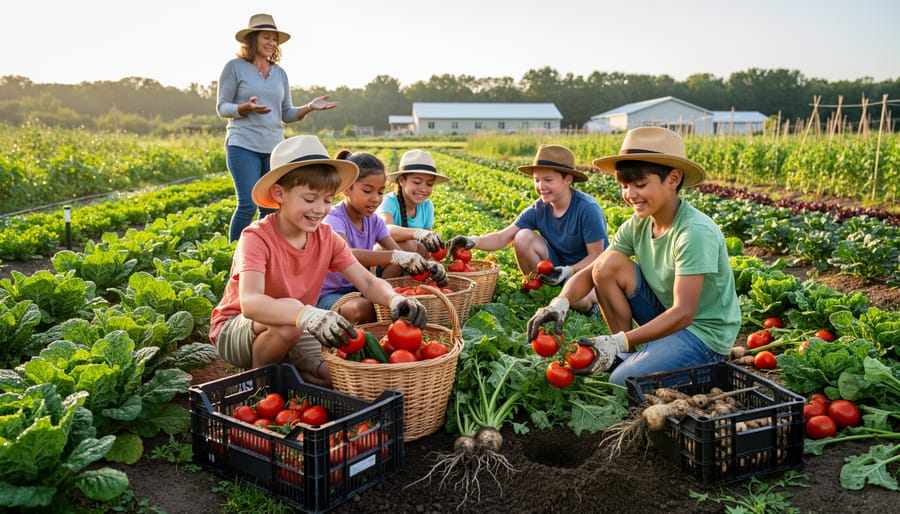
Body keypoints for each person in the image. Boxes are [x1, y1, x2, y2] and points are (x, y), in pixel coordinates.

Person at [526, 127, 741, 386]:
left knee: (621, 382)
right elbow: (594, 270)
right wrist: (559, 302)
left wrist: (617, 341)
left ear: (673, 179)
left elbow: (684, 313)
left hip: (702, 334)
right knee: (608, 265)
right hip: (665, 314)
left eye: (640, 185)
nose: (630, 195)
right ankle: (632, 352)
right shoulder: (638, 224)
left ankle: (643, 352)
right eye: (625, 186)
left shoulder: (694, 233)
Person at [209, 135, 428, 388]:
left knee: (332, 375)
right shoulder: (256, 237)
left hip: (298, 321)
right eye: (310, 199)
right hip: (238, 329)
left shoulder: (326, 238)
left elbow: (367, 281)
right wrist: (307, 314)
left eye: (327, 200)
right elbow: (251, 303)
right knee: (287, 325)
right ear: (280, 194)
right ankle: (256, 383)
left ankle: (282, 369)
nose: (320, 210)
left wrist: (394, 299)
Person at [217, 13, 338, 242]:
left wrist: (310, 107)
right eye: (266, 37)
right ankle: (233, 254)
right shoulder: (234, 68)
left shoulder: (280, 73)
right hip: (243, 144)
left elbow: (286, 114)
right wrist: (245, 107)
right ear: (252, 39)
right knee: (247, 204)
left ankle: (267, 250)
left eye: (275, 39)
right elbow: (222, 107)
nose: (272, 43)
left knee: (271, 206)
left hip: (274, 149)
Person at [447, 144, 608, 312]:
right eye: (537, 180)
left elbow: (597, 256)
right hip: (556, 268)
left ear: (568, 179)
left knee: (577, 300)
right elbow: (503, 237)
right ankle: (540, 290)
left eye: (548, 180)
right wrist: (473, 241)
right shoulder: (539, 208)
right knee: (522, 236)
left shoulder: (587, 209)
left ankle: (592, 305)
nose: (541, 186)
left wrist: (569, 271)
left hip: (587, 272)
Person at [318, 150, 448, 323]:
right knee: (362, 308)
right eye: (367, 191)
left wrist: (427, 266)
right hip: (330, 293)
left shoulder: (373, 221)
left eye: (380, 192)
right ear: (346, 189)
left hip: (362, 285)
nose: (375, 199)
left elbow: (397, 250)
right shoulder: (334, 218)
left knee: (388, 301)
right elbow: (346, 254)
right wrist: (396, 256)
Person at [376, 150, 447, 257]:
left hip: (412, 262)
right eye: (417, 182)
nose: (423, 189)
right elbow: (385, 229)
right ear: (401, 181)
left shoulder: (427, 206)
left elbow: (426, 243)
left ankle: (412, 273)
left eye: (429, 184)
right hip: (382, 259)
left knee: (421, 248)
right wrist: (418, 233)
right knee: (410, 245)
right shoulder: (389, 202)